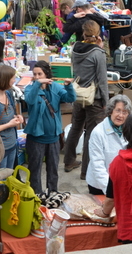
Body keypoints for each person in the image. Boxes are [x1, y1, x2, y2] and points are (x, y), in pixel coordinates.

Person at [23, 61, 75, 196]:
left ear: (47, 74)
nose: (37, 76)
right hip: (36, 138)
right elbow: (29, 100)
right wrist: (37, 84)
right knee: (35, 169)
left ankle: (53, 193)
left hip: (53, 137)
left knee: (53, 169)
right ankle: (36, 196)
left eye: (40, 74)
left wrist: (69, 86)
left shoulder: (55, 88)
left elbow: (70, 98)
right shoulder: (30, 88)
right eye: (34, 74)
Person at [64, 21, 108, 179]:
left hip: (78, 94)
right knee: (91, 133)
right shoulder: (98, 53)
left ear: (83, 33)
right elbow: (102, 80)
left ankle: (68, 161)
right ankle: (86, 171)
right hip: (94, 98)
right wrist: (106, 102)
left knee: (76, 127)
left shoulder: (75, 48)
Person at [86, 95, 131, 195]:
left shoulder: (130, 129)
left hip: (122, 182)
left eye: (124, 112)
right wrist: (110, 192)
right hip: (100, 184)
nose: (121, 115)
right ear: (111, 111)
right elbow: (97, 164)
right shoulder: (98, 132)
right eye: (118, 110)